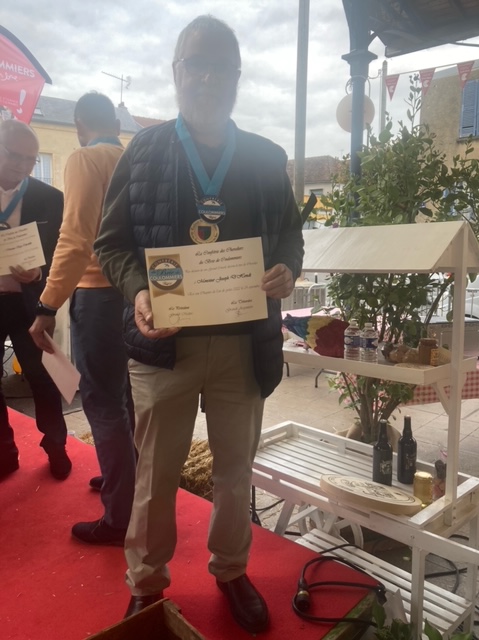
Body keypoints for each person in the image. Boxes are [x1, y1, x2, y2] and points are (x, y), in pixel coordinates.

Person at [94, 15, 304, 634]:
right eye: (196, 65)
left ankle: (231, 570)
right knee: (155, 476)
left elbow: (291, 238)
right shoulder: (145, 150)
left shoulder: (265, 157)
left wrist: (287, 270)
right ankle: (146, 583)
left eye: (220, 68)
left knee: (235, 473)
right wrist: (138, 291)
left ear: (236, 77)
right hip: (164, 348)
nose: (207, 78)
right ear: (177, 72)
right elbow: (111, 244)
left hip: (245, 348)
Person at [29, 93, 136, 546]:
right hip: (136, 295)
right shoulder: (133, 158)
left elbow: (75, 238)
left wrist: (47, 305)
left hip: (97, 293)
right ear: (115, 123)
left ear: (78, 125)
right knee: (125, 394)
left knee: (101, 400)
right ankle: (123, 479)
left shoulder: (84, 159)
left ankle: (119, 516)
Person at [0, 120, 71, 481]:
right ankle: (4, 452)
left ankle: (56, 446)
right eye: (15, 156)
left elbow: (60, 253)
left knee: (43, 378)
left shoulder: (50, 198)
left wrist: (39, 273)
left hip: (30, 303)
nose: (23, 166)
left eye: (31, 159)